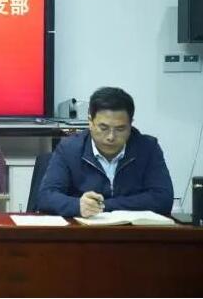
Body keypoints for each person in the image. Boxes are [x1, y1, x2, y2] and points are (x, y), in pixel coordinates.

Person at [38, 86, 173, 217]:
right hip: (84, 229)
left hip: (133, 230)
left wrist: (104, 206)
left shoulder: (148, 148)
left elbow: (163, 199)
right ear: (90, 122)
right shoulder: (69, 149)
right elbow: (45, 197)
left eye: (120, 129)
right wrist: (77, 205)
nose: (111, 137)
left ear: (130, 124)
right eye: (103, 128)